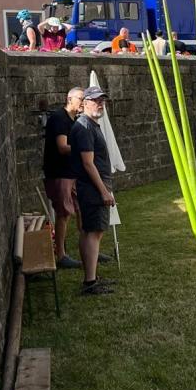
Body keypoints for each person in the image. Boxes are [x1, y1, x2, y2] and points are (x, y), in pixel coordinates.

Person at [70, 86, 117, 295]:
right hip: (92, 188)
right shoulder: (85, 126)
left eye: (102, 101)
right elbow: (88, 164)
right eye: (96, 100)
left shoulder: (90, 124)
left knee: (89, 231)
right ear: (85, 103)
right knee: (94, 232)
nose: (100, 104)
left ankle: (91, 277)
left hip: (92, 187)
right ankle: (90, 282)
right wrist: (104, 191)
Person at [43, 88, 85, 269]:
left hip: (71, 173)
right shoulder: (60, 118)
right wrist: (83, 148)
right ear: (69, 99)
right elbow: (62, 147)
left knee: (82, 209)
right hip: (60, 174)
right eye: (80, 99)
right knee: (64, 213)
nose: (83, 102)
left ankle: (88, 247)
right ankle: (60, 255)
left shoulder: (73, 120)